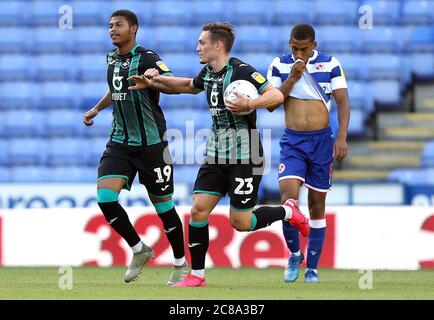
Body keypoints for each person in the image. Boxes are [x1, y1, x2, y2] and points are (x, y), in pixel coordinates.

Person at [128, 22, 310, 288]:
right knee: (199, 210)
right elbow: (188, 85)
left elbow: (275, 97)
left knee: (241, 222)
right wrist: (153, 81)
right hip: (215, 154)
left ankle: (287, 211)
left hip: (245, 155)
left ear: (218, 45)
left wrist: (250, 103)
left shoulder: (242, 71)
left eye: (202, 43)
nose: (197, 47)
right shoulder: (209, 73)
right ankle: (197, 275)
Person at [82, 10, 189, 285]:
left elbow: (172, 83)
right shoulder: (111, 58)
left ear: (134, 28)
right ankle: (139, 249)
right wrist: (96, 108)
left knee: (164, 209)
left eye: (118, 25)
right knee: (105, 198)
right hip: (119, 142)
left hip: (152, 145)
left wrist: (155, 78)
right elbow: (116, 89)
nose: (112, 30)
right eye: (110, 25)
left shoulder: (148, 57)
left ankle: (180, 264)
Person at [267, 23, 350, 283]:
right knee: (289, 202)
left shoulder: (330, 64)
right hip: (293, 141)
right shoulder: (279, 65)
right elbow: (271, 104)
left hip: (321, 141)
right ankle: (294, 254)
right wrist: (293, 76)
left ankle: (312, 268)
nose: (298, 54)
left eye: (303, 49)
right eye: (294, 48)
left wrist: (342, 137)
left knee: (316, 205)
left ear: (313, 45)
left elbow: (343, 101)